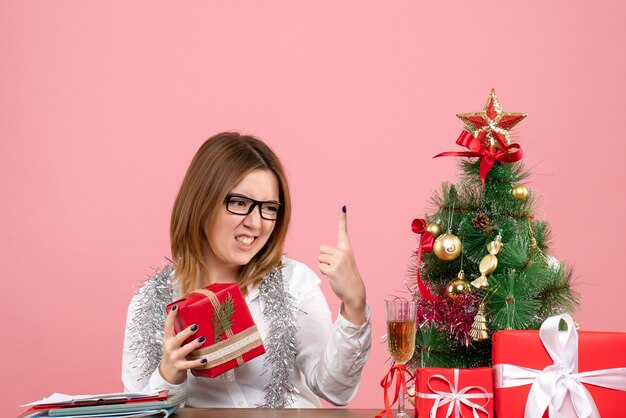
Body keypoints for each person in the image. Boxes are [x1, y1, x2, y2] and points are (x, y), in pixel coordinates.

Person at [121, 132, 371, 408]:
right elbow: (136, 410)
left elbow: (334, 389)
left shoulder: (294, 282)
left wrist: (354, 305)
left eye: (269, 208)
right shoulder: (151, 302)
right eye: (240, 203)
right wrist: (169, 374)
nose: (257, 223)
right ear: (201, 202)